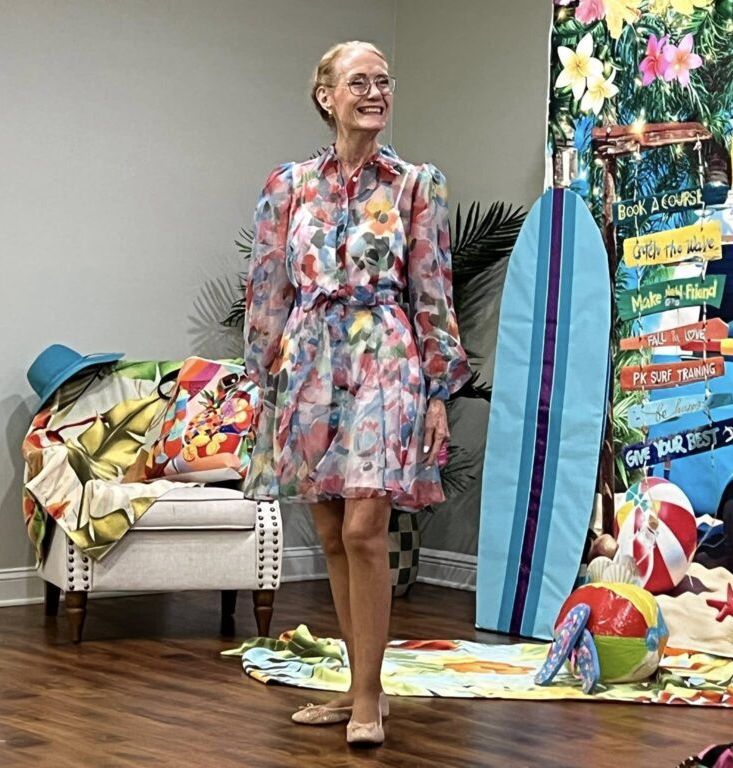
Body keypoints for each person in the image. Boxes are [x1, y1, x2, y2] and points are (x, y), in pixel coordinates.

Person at [242, 40, 471, 748]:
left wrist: (437, 391)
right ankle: (353, 684)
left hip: (387, 356)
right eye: (359, 82)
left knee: (367, 529)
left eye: (383, 81)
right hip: (310, 361)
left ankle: (371, 698)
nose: (375, 92)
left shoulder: (413, 184)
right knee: (333, 534)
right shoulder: (290, 186)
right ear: (326, 95)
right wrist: (262, 384)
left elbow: (433, 290)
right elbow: (269, 288)